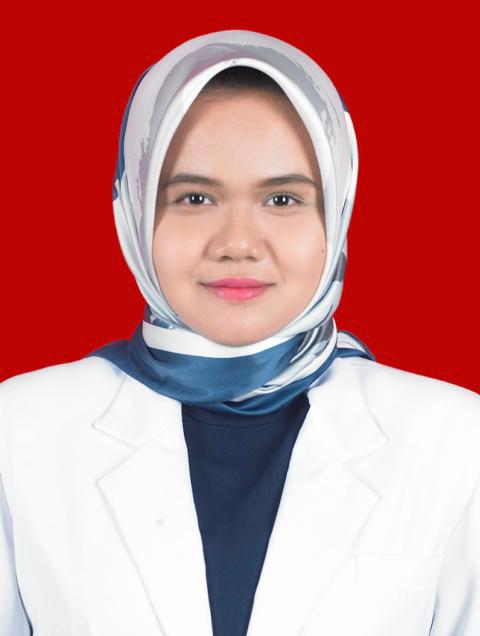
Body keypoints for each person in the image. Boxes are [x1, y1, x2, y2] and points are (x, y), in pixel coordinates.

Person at [0, 28, 479, 636]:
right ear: (136, 209)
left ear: (336, 212)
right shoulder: (19, 430)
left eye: (282, 200)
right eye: (195, 198)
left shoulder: (455, 440)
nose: (238, 244)